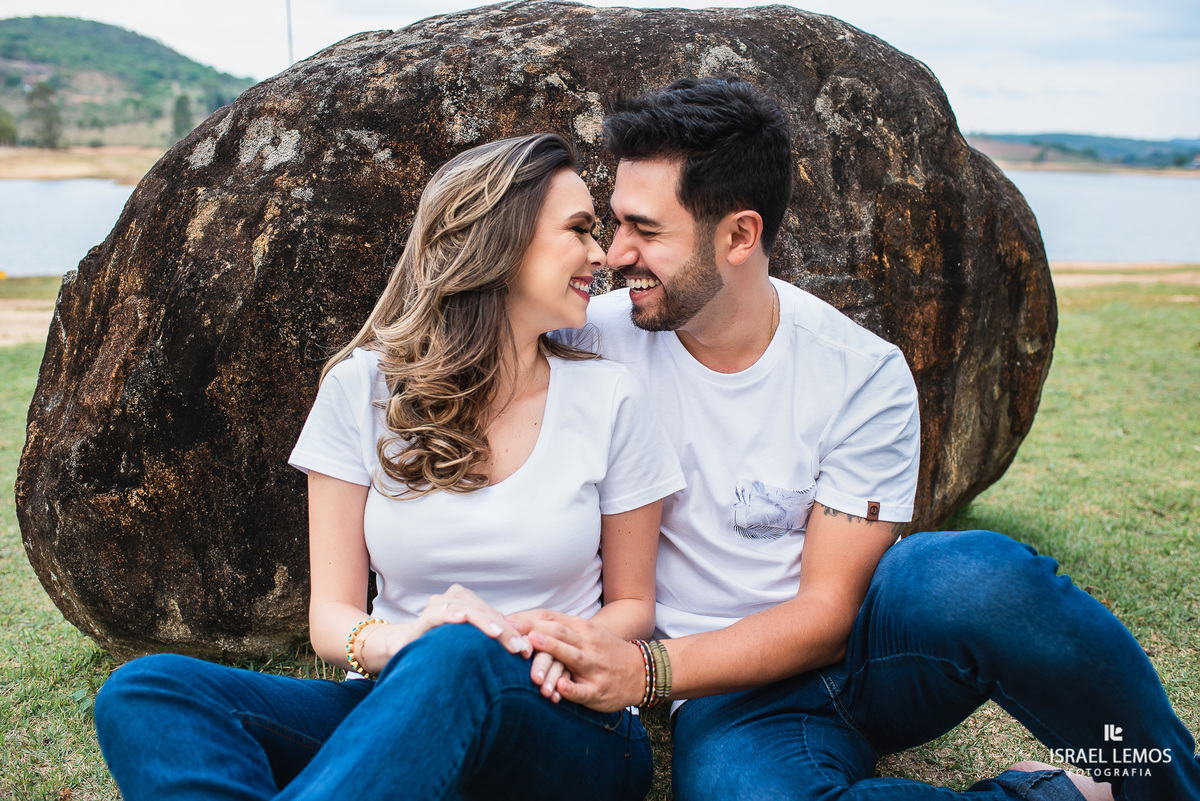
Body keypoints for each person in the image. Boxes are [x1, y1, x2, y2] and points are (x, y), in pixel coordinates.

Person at [514, 77, 1200, 801]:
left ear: (740, 234)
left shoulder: (859, 371)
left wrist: (645, 669)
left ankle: (1167, 786)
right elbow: (440, 341)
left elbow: (827, 613)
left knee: (982, 577)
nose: (615, 254)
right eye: (615, 222)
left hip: (875, 649)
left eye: (646, 231)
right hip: (731, 697)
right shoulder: (585, 344)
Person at [93, 132, 686, 801]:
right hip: (395, 700)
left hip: (571, 727)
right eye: (579, 229)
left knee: (461, 654)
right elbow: (332, 618)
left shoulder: (610, 397)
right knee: (148, 691)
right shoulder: (361, 388)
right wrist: (410, 639)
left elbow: (634, 606)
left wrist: (505, 639)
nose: (600, 253)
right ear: (499, 240)